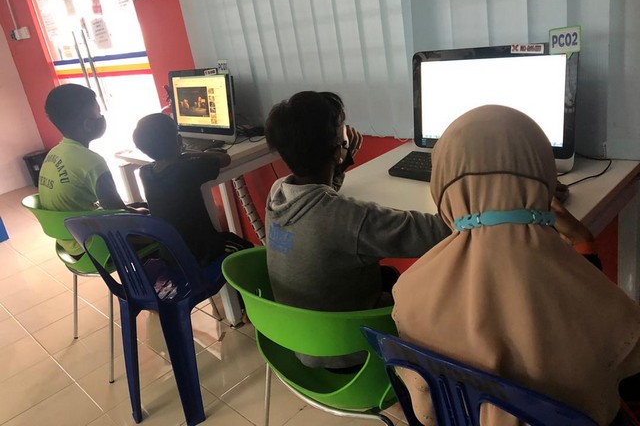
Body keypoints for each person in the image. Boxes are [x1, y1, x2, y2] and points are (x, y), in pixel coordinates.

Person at [392, 105, 640, 425]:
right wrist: (584, 246)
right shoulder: (603, 305)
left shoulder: (409, 292)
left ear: (440, 186)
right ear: (546, 180)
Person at [264, 91, 451, 369]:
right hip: (353, 354)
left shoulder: (278, 193)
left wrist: (340, 164)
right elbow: (437, 233)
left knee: (388, 276)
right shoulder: (350, 219)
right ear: (338, 148)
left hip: (301, 343)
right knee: (431, 290)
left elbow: (318, 194)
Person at [132, 113, 253, 269]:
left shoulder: (145, 173)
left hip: (171, 255)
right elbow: (225, 158)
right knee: (248, 249)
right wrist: (192, 153)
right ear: (179, 140)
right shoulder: (188, 169)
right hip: (202, 252)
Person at [39, 84, 144, 256]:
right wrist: (142, 213)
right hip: (93, 245)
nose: (102, 118)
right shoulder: (92, 163)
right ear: (88, 124)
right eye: (99, 113)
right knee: (167, 224)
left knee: (139, 207)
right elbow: (118, 213)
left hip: (68, 241)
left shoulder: (54, 153)